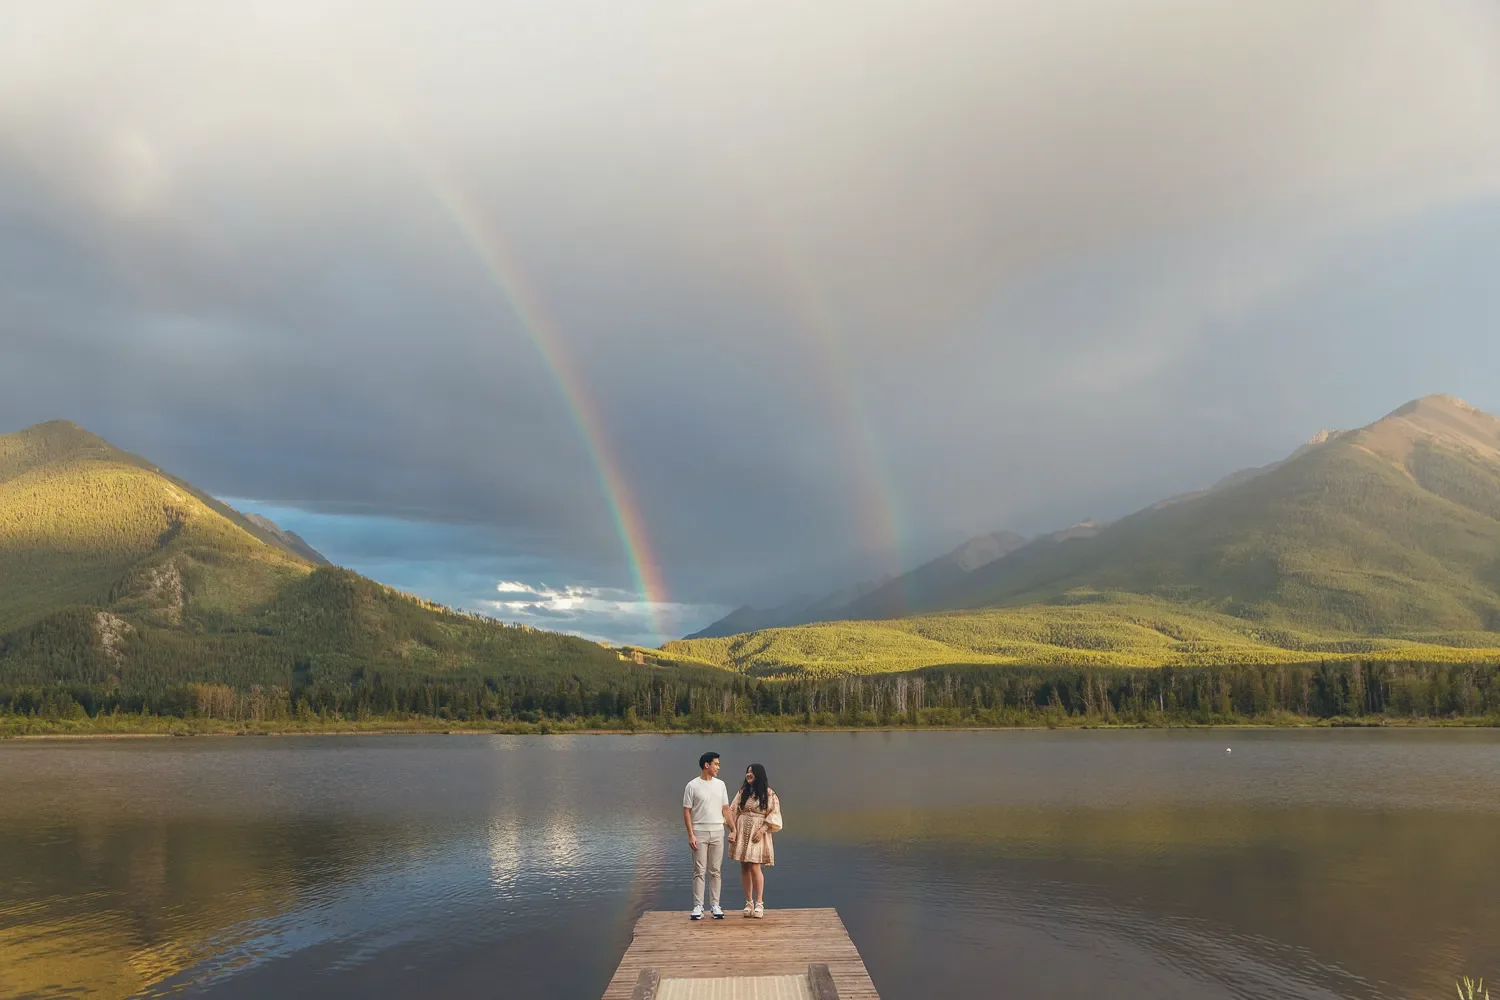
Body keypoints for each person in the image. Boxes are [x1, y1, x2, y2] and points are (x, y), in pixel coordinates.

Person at [681, 750, 732, 920]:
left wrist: (733, 829)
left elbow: (726, 809)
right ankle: (698, 906)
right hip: (699, 832)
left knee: (715, 870)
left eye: (718, 764)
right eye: (716, 764)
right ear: (706, 765)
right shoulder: (692, 786)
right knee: (699, 870)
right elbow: (687, 812)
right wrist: (691, 835)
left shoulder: (721, 785)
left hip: (718, 831)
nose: (718, 767)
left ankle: (715, 905)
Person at [727, 762, 782, 919]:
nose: (748, 774)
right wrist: (733, 830)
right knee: (744, 866)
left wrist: (763, 830)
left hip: (757, 832)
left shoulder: (769, 794)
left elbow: (774, 814)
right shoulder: (743, 792)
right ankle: (748, 902)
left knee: (755, 866)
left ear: (759, 774)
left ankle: (759, 903)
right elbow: (732, 810)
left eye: (751, 772)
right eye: (747, 772)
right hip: (742, 830)